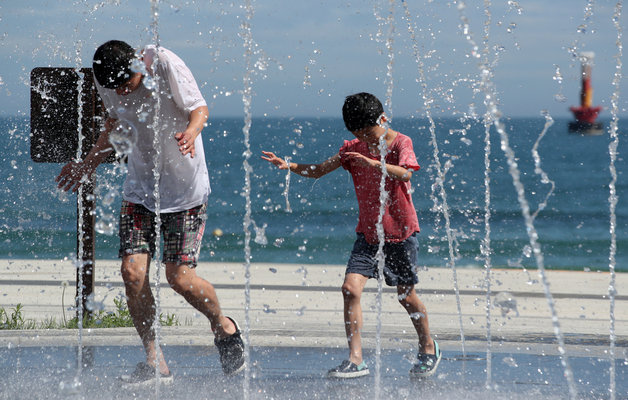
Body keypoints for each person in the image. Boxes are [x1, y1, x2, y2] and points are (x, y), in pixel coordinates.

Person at [55, 40, 245, 386]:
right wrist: (88, 163)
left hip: (186, 191)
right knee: (132, 273)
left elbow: (200, 109)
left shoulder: (164, 63)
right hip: (141, 188)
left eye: (127, 84)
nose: (122, 92)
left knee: (179, 278)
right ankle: (155, 361)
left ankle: (224, 327)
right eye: (116, 88)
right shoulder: (108, 78)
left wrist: (190, 132)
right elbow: (114, 122)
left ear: (136, 64)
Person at [261, 92, 441, 379]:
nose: (367, 141)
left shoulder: (400, 143)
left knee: (406, 297)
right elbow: (319, 170)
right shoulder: (353, 149)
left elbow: (406, 174)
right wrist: (289, 166)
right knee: (349, 289)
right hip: (368, 234)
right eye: (360, 135)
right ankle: (356, 359)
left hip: (400, 233)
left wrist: (372, 163)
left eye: (369, 133)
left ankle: (428, 346)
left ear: (383, 119)